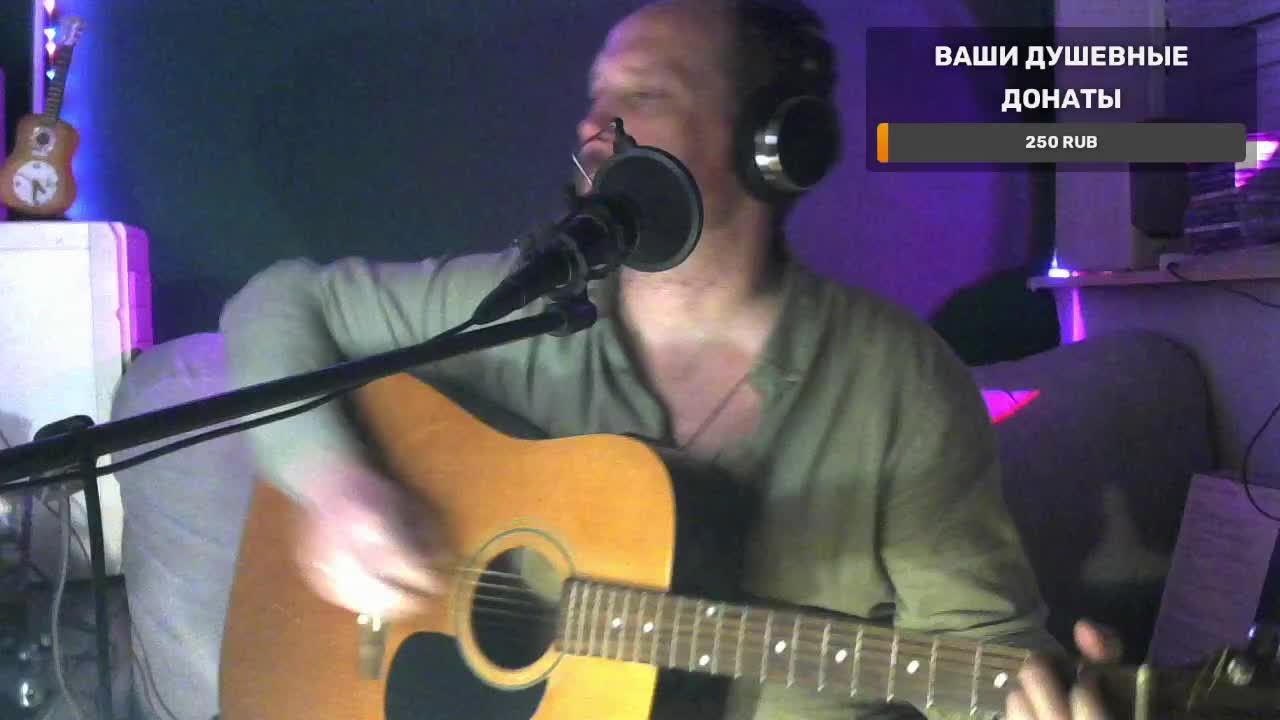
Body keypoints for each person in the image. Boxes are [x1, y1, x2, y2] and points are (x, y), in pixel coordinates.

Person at [220, 0, 1121, 718]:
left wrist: (1039, 703)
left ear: (774, 146)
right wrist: (332, 485)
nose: (594, 123)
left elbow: (982, 653)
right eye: (596, 94)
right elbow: (280, 303)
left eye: (645, 94)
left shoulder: (897, 380)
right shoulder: (521, 304)